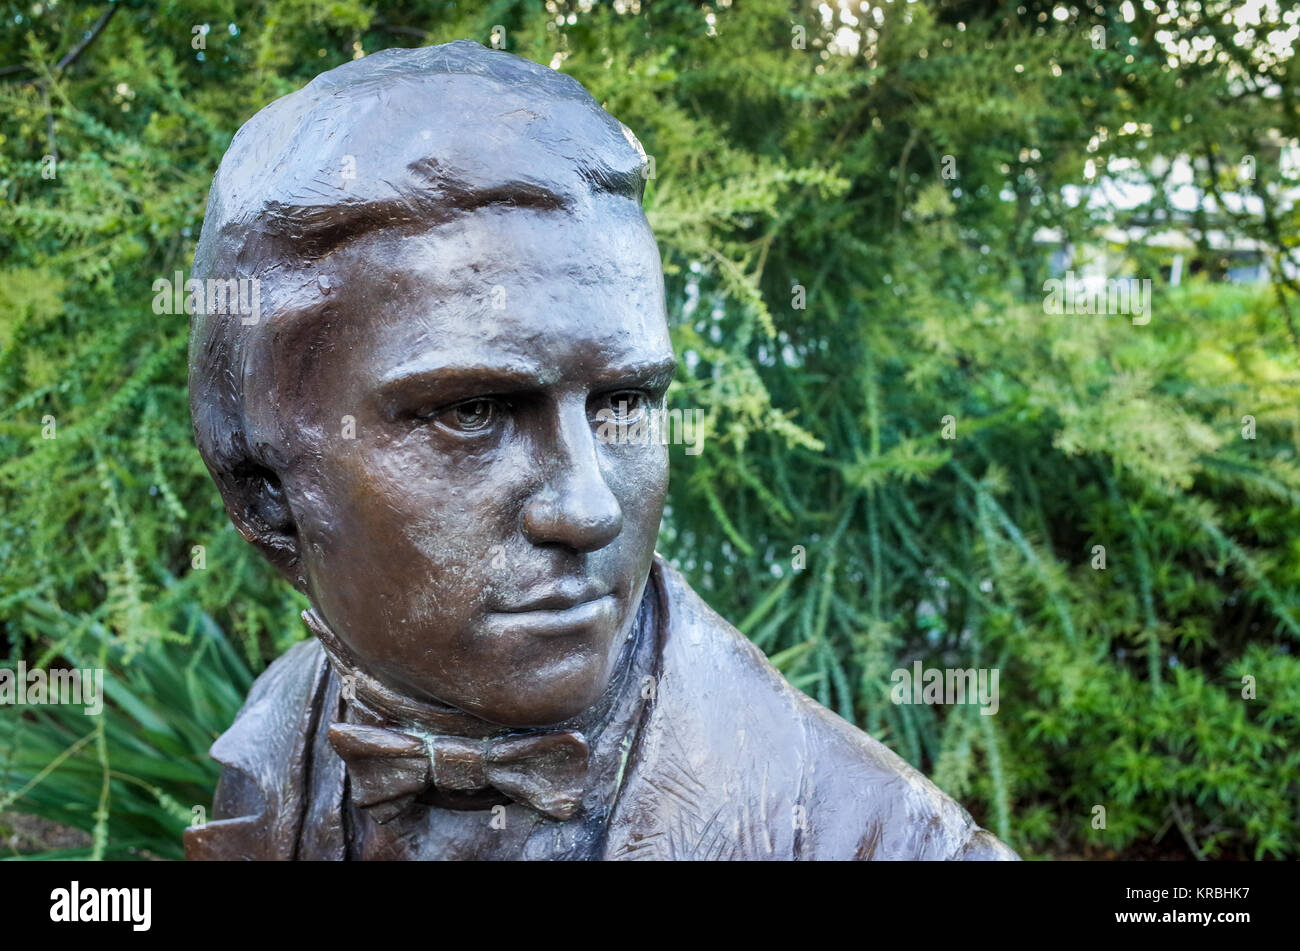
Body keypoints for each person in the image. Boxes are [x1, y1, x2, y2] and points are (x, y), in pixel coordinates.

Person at [184, 40, 1017, 861]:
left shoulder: (885, 842)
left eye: (624, 402)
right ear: (266, 492)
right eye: (473, 412)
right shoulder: (269, 750)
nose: (588, 508)